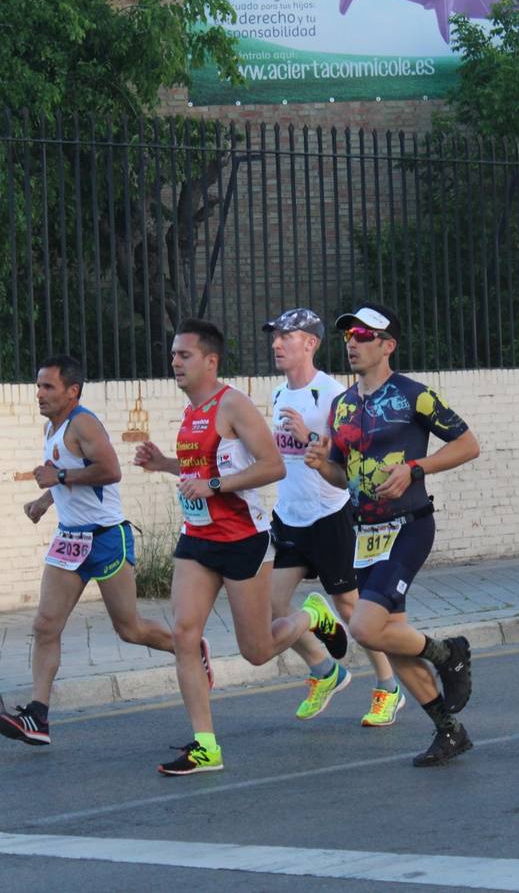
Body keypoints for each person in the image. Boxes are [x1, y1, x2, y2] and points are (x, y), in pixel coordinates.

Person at [134, 318, 348, 776]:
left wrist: (214, 484)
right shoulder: (192, 411)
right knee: (184, 635)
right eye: (173, 354)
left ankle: (312, 614)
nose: (175, 362)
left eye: (184, 355)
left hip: (243, 541)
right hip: (198, 540)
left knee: (256, 650)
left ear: (211, 361)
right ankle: (205, 744)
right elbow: (200, 475)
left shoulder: (234, 405)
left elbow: (274, 467)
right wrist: (165, 464)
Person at [305, 302, 480, 766]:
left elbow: (468, 444)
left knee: (364, 628)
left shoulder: (414, 395)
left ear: (388, 345)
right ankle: (450, 729)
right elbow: (344, 479)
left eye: (363, 336)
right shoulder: (343, 405)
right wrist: (323, 465)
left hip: (410, 526)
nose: (353, 344)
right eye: (348, 337)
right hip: (367, 534)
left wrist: (415, 468)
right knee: (385, 636)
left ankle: (449, 652)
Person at [0, 355, 189, 747]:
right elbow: (65, 474)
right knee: (45, 625)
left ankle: (188, 649)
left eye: (48, 387)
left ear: (72, 391)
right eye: (38, 386)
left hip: (105, 538)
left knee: (129, 629)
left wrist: (59, 476)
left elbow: (110, 470)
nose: (40, 394)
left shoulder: (83, 422)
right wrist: (46, 501)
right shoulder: (52, 427)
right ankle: (38, 715)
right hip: (70, 540)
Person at [263, 308, 402, 727]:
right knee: (272, 607)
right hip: (289, 516)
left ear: (310, 343)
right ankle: (325, 669)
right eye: (275, 337)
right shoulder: (276, 395)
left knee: (350, 607)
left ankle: (388, 686)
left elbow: (346, 462)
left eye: (285, 337)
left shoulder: (334, 395)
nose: (276, 345)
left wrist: (310, 438)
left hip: (329, 515)